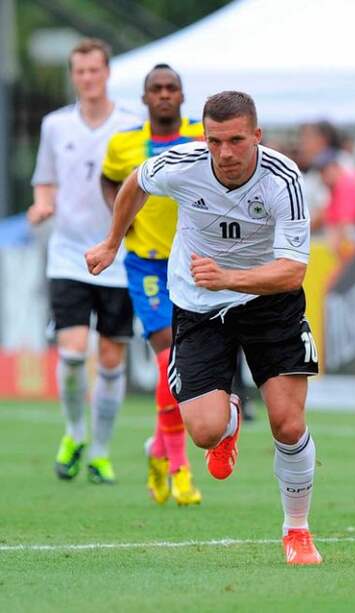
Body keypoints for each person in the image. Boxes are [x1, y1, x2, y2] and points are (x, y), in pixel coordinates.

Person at [85, 91, 322, 565]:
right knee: (205, 433)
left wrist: (229, 278)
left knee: (288, 423)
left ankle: (296, 530)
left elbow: (293, 271)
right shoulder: (182, 163)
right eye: (215, 141)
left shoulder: (284, 179)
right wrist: (113, 242)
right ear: (204, 138)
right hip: (197, 306)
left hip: (269, 303)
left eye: (236, 140)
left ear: (257, 135)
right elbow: (134, 182)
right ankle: (229, 418)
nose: (226, 153)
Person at [28, 39, 140, 484]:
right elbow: (44, 182)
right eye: (80, 71)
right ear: (73, 75)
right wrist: (41, 206)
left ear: (107, 73)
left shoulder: (132, 124)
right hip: (68, 255)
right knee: (73, 354)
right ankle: (75, 433)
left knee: (111, 360)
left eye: (95, 70)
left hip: (117, 254)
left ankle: (100, 451)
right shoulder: (55, 125)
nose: (88, 78)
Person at [100, 64, 203, 505]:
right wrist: (122, 222)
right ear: (144, 99)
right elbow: (109, 180)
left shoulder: (203, 137)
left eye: (171, 88)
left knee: (186, 360)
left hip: (194, 264)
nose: (164, 95)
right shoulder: (124, 143)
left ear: (182, 96)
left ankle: (159, 449)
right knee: (168, 357)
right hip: (146, 265)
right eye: (156, 89)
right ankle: (179, 468)